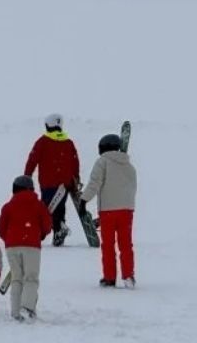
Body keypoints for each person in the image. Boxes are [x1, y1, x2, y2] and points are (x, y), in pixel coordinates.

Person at [81, 133, 138, 288]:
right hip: (126, 210)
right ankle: (128, 276)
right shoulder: (129, 166)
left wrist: (84, 200)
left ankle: (109, 277)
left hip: (108, 211)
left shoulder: (102, 162)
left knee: (108, 245)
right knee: (126, 244)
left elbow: (95, 183)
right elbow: (132, 187)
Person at [0, 175, 53, 321]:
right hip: (31, 246)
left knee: (17, 278)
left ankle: (15, 311)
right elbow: (47, 225)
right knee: (31, 277)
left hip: (12, 247)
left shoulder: (8, 206)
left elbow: (1, 227)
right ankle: (27, 308)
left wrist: (9, 240)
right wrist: (40, 234)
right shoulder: (38, 205)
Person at [23, 113, 80, 246]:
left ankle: (52, 231)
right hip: (65, 184)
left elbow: (32, 159)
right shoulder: (68, 142)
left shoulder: (42, 142)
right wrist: (76, 178)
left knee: (46, 209)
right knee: (59, 208)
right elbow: (75, 161)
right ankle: (58, 232)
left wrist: (27, 176)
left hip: (48, 183)